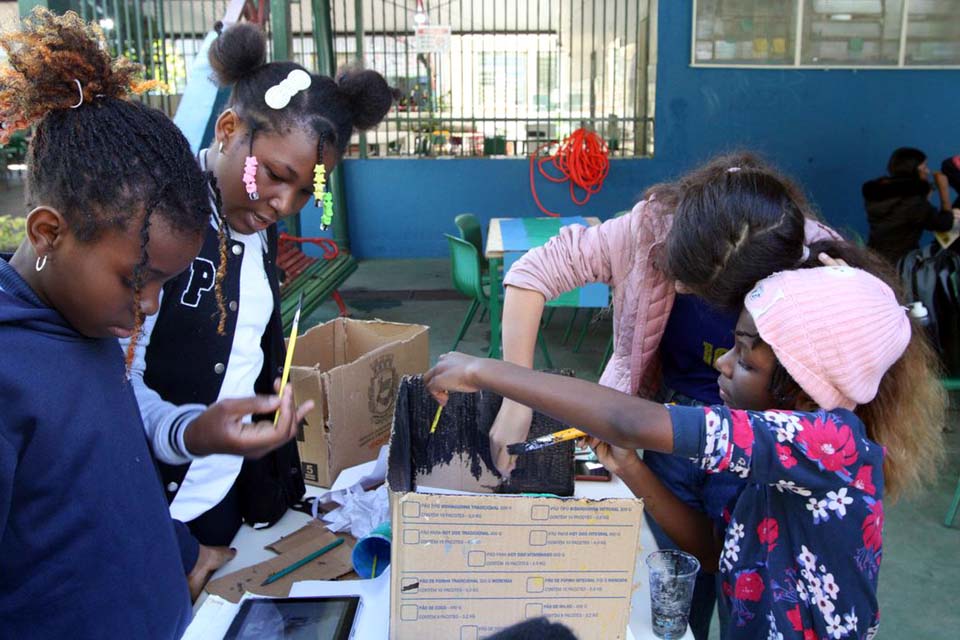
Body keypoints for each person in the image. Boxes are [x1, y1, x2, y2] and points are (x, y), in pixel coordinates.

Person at [424, 248, 944, 639]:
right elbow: (716, 553)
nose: (721, 363)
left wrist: (486, 369)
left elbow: (630, 418)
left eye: (743, 355)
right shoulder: (771, 447)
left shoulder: (825, 443)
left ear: (805, 377)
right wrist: (630, 466)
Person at [0, 8, 308, 635]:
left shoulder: (88, 330)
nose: (148, 306)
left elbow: (111, 485)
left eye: (165, 285)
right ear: (48, 233)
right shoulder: (13, 369)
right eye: (136, 280)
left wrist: (186, 548)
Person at [491, 152, 838, 639]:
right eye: (675, 268)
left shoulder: (816, 267)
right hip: (663, 430)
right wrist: (515, 399)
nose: (673, 285)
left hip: (756, 446)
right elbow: (533, 273)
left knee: (745, 591)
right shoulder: (651, 227)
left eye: (698, 287)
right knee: (670, 597)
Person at [124, 21, 396, 546]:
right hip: (158, 514)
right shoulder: (156, 224)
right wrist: (190, 432)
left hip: (224, 500)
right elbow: (116, 381)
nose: (282, 205)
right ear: (227, 129)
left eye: (303, 191)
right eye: (272, 175)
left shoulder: (252, 222)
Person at [863, 146, 957, 264]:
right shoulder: (913, 202)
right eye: (924, 167)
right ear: (914, 169)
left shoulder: (878, 192)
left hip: (874, 256)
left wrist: (926, 189)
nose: (927, 171)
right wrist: (943, 190)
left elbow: (907, 213)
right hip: (899, 264)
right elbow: (944, 224)